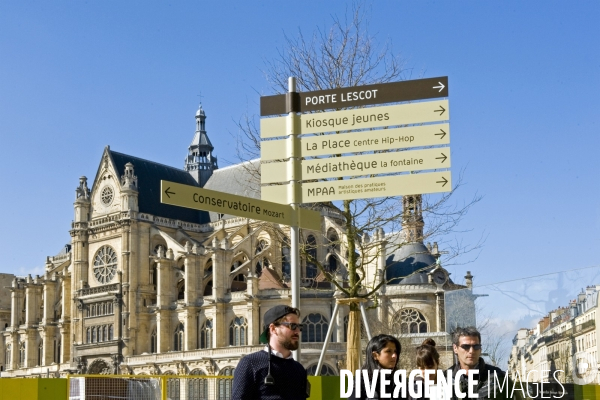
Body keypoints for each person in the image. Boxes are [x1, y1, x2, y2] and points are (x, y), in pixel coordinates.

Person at [231, 305, 309, 400]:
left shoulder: (299, 369)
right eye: (292, 326)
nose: (297, 331)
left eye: (299, 326)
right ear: (273, 328)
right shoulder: (250, 363)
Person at [446, 327, 515, 400]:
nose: (471, 351)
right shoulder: (445, 378)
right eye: (466, 346)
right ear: (455, 348)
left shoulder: (498, 377)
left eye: (476, 346)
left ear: (480, 349)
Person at [350, 334, 402, 400]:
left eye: (395, 351)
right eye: (388, 351)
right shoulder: (360, 381)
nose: (394, 355)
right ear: (375, 355)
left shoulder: (398, 380)